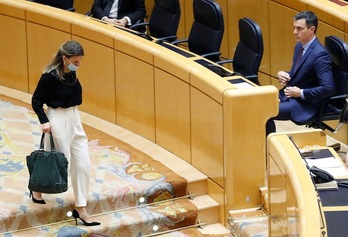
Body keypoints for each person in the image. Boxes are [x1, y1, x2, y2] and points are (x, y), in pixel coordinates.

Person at [31, 41, 100, 226]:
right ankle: (36, 188)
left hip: (75, 117)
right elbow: (36, 101)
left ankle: (81, 207)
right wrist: (44, 121)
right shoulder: (49, 77)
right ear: (64, 58)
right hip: (57, 118)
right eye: (75, 62)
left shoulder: (72, 74)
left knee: (83, 163)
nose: (78, 65)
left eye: (79, 62)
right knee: (59, 162)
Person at [266, 11, 335, 135]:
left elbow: (328, 88)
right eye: (294, 27)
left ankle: (269, 150)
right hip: (291, 96)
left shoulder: (320, 54)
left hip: (307, 104)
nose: (294, 32)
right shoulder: (299, 46)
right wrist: (284, 74)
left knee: (265, 111)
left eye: (299, 28)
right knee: (258, 103)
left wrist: (301, 93)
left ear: (311, 29)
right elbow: (299, 73)